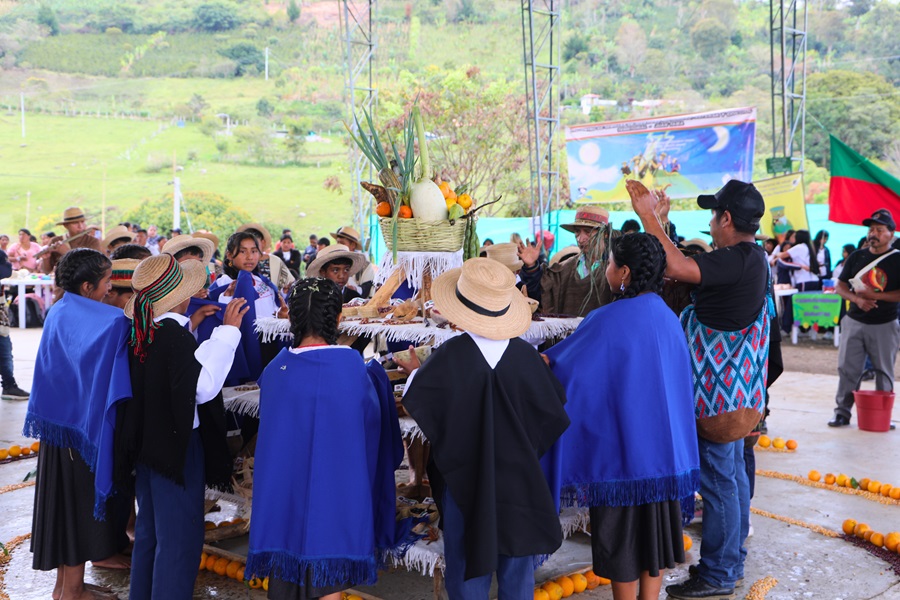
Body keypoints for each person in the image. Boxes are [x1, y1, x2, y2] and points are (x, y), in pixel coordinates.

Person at [628, 179, 770, 600]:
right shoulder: (748, 258)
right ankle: (731, 560)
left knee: (720, 481)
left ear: (726, 218)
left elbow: (677, 268)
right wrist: (664, 224)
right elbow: (687, 260)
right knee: (729, 477)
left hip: (717, 401)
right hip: (732, 397)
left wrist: (647, 216)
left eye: (713, 215)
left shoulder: (739, 259)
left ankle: (720, 573)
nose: (709, 225)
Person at [397, 258, 570, 599]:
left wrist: (417, 371)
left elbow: (421, 401)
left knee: (465, 565)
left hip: (466, 481)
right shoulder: (526, 358)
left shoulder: (447, 357)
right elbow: (552, 413)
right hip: (520, 484)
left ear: (460, 310)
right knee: (517, 567)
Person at [545, 233, 699, 600]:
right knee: (653, 543)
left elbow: (566, 368)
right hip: (663, 460)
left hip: (620, 458)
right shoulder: (668, 318)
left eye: (612, 263)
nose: (608, 270)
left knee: (624, 545)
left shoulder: (607, 319)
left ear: (625, 272)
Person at [246, 278, 411, 600]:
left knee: (284, 578)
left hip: (283, 497)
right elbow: (379, 440)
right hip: (339, 497)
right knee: (329, 585)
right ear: (338, 319)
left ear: (291, 319)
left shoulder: (275, 371)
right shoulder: (357, 373)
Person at [116, 256, 245, 600]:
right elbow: (201, 387)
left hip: (147, 450)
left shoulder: (144, 331)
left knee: (151, 534)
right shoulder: (173, 336)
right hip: (176, 450)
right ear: (181, 297)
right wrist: (228, 333)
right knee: (179, 541)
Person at [25, 248, 133, 600]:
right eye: (106, 282)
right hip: (83, 432)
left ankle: (67, 585)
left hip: (59, 429)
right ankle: (71, 591)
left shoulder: (61, 309)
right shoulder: (109, 321)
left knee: (65, 508)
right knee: (77, 510)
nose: (110, 289)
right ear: (88, 286)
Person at [829, 209, 900, 428]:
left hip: (885, 324)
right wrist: (858, 300)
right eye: (871, 229)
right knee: (848, 369)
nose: (873, 233)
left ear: (891, 233)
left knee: (884, 371)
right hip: (855, 321)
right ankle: (842, 413)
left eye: (879, 229)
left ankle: (882, 415)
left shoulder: (897, 259)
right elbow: (839, 286)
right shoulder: (857, 256)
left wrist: (874, 296)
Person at [518, 206, 613, 316]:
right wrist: (531, 266)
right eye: (577, 232)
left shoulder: (615, 268)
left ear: (604, 234)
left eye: (588, 232)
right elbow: (541, 293)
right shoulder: (564, 268)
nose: (580, 239)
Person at [39, 207, 102, 274]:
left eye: (82, 222)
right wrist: (46, 258)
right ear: (66, 225)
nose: (80, 226)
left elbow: (93, 267)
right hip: (62, 283)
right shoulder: (56, 240)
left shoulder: (92, 241)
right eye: (75, 223)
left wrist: (67, 252)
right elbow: (46, 271)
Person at [238, 223, 295, 292]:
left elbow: (290, 284)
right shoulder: (238, 261)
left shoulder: (275, 261)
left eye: (254, 242)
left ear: (263, 243)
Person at [331, 226, 375, 297]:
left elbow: (367, 287)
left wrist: (356, 289)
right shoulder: (332, 260)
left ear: (353, 245)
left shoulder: (364, 264)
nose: (339, 246)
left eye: (342, 243)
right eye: (337, 242)